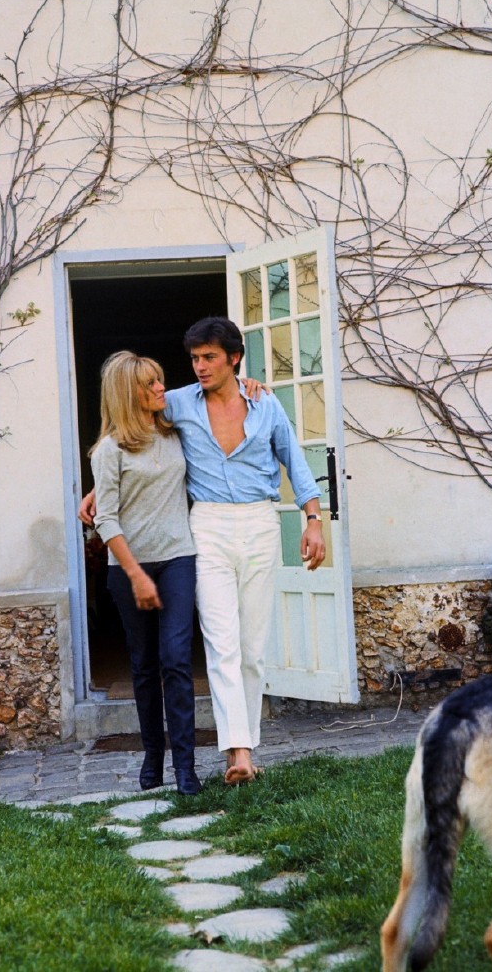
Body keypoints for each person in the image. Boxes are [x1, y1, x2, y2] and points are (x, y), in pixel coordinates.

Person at [80, 317, 326, 786]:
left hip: (260, 523)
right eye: (194, 358)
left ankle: (246, 743)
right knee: (221, 642)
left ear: (234, 359)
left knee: (253, 648)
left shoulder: (265, 404)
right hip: (207, 528)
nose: (199, 366)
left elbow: (295, 462)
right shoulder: (177, 403)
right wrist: (98, 489)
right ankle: (238, 753)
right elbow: (129, 424)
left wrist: (314, 520)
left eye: (209, 357)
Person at [89, 351, 201, 796]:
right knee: (144, 666)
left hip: (178, 558)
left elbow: (210, 394)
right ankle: (153, 755)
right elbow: (106, 518)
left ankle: (186, 767)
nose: (161, 388)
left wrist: (252, 386)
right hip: (128, 568)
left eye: (160, 380)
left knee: (176, 659)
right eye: (150, 384)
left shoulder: (176, 431)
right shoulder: (109, 450)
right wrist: (135, 574)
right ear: (127, 393)